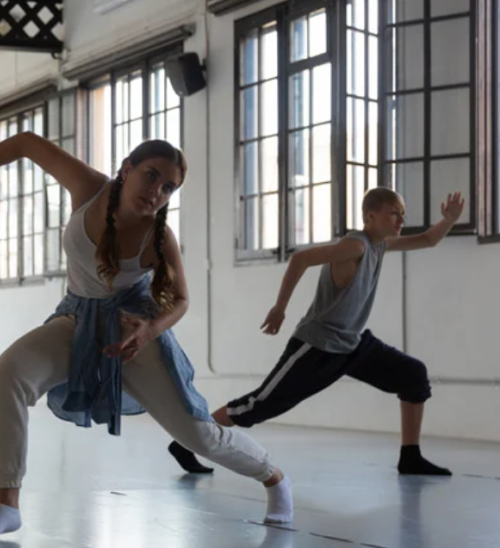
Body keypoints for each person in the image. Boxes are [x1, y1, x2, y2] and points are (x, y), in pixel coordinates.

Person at [0, 134, 294, 544]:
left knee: (197, 435)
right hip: (76, 319)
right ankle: (6, 505)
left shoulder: (157, 235)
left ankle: (274, 478)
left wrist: (150, 331)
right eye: (150, 176)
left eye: (168, 188)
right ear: (126, 169)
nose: (156, 192)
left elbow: (180, 299)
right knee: (8, 374)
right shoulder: (89, 188)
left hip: (132, 332)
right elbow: (25, 143)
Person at [169, 187, 465, 476]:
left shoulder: (381, 244)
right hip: (318, 347)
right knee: (256, 405)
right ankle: (187, 442)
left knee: (413, 375)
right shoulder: (356, 245)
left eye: (402, 214)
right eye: (393, 214)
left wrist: (448, 220)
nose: (400, 220)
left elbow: (428, 239)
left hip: (353, 345)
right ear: (370, 217)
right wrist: (279, 308)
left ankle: (410, 458)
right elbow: (301, 258)